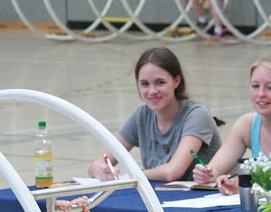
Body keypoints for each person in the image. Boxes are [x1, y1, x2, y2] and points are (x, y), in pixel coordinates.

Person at [88, 47, 222, 183]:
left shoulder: (197, 115)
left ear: (177, 81)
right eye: (145, 84)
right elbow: (98, 163)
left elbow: (172, 172)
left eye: (160, 83)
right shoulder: (142, 114)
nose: (152, 91)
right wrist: (101, 170)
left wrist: (134, 174)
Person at [192, 55, 271, 194]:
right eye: (255, 86)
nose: (261, 94)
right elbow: (216, 170)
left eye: (270, 88)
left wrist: (249, 184)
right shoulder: (246, 124)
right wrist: (207, 174)